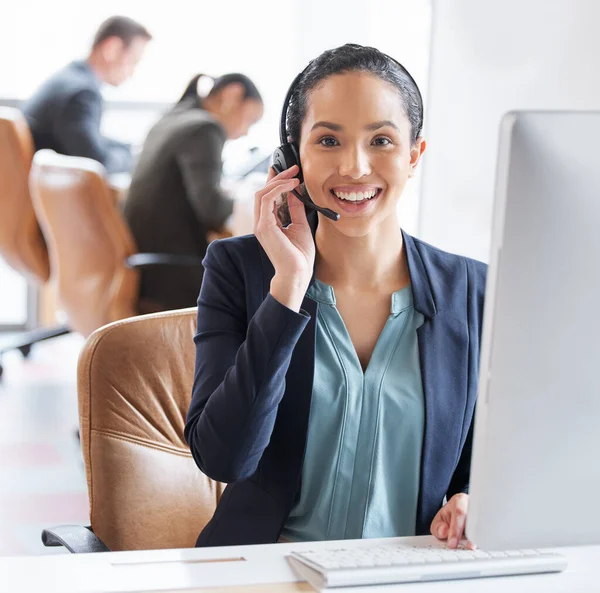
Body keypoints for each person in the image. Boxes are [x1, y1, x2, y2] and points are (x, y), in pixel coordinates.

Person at [185, 44, 487, 549]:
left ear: (413, 156)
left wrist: (472, 499)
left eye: (382, 141)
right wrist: (288, 287)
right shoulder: (239, 270)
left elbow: (485, 462)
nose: (354, 167)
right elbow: (224, 458)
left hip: (407, 576)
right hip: (268, 572)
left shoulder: (473, 291)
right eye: (328, 140)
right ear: (292, 161)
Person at [124, 73, 264, 312]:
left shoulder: (174, 117)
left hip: (143, 260)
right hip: (171, 272)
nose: (244, 133)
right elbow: (211, 209)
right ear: (232, 95)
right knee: (259, 280)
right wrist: (247, 199)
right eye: (249, 120)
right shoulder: (205, 129)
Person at [21, 16, 151, 174]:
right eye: (133, 61)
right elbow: (96, 162)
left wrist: (130, 148)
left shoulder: (67, 79)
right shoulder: (81, 94)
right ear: (112, 48)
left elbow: (90, 140)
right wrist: (140, 159)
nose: (132, 73)